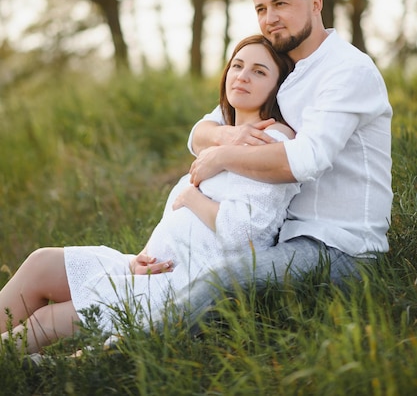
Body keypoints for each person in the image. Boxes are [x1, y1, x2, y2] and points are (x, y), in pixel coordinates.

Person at [0, 35, 299, 354]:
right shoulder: (221, 134)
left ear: (278, 87)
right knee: (41, 263)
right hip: (150, 269)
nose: (242, 76)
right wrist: (143, 257)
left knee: (47, 318)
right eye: (237, 66)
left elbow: (244, 235)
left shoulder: (272, 141)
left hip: (183, 286)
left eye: (259, 71)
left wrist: (191, 197)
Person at [177, 0, 392, 328]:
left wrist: (224, 156)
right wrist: (228, 136)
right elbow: (199, 134)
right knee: (182, 270)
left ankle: (115, 355)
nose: (269, 18)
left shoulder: (347, 70)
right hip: (282, 238)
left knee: (220, 282)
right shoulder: (282, 67)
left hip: (339, 249)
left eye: (280, 4)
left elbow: (305, 161)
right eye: (260, 8)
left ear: (315, 3)